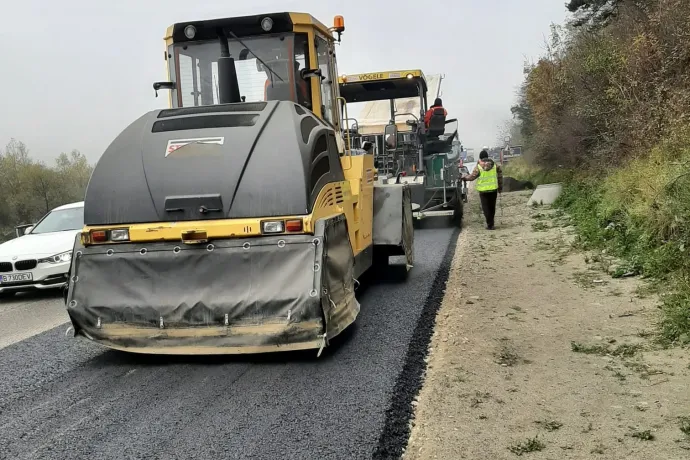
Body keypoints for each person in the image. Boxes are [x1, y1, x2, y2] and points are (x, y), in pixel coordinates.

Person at [462, 150, 503, 230]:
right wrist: (500, 188)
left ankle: (489, 224)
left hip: (483, 191)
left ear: (480, 157)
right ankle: (491, 224)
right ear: (487, 156)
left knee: (485, 207)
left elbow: (472, 177)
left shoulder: (479, 166)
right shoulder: (495, 165)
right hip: (493, 190)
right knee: (492, 207)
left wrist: (464, 178)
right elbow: (500, 177)